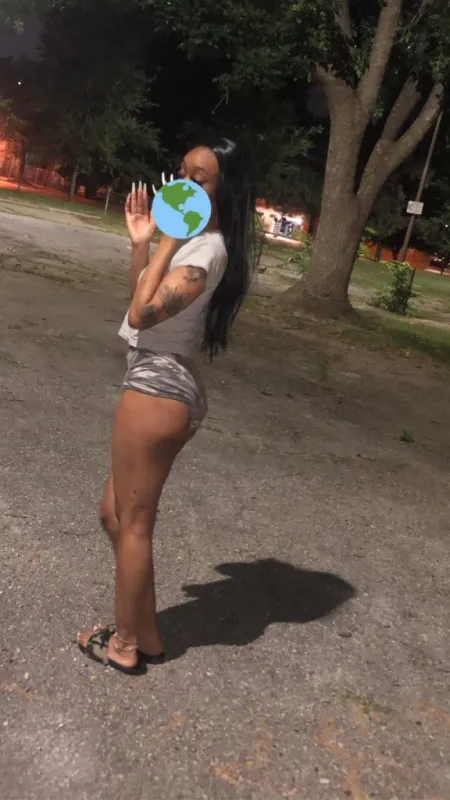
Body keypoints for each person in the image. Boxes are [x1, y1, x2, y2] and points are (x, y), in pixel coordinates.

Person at [77, 138, 258, 674]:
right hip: (154, 378)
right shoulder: (192, 242)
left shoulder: (205, 251)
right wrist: (143, 243)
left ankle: (124, 644)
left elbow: (141, 316)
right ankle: (149, 635)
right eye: (181, 172)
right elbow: (142, 297)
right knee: (114, 515)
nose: (183, 184)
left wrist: (168, 240)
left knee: (133, 525)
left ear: (225, 190)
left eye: (199, 178)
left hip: (159, 389)